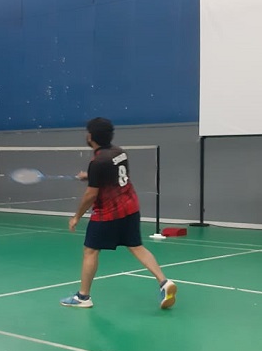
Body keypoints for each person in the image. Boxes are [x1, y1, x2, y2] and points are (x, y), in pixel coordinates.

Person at [61, 117, 177, 309]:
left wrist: (76, 216)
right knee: (136, 246)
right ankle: (164, 282)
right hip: (130, 207)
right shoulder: (119, 152)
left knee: (90, 251)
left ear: (90, 136)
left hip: (108, 213)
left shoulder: (97, 161)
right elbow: (112, 174)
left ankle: (83, 297)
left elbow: (91, 194)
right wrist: (89, 176)